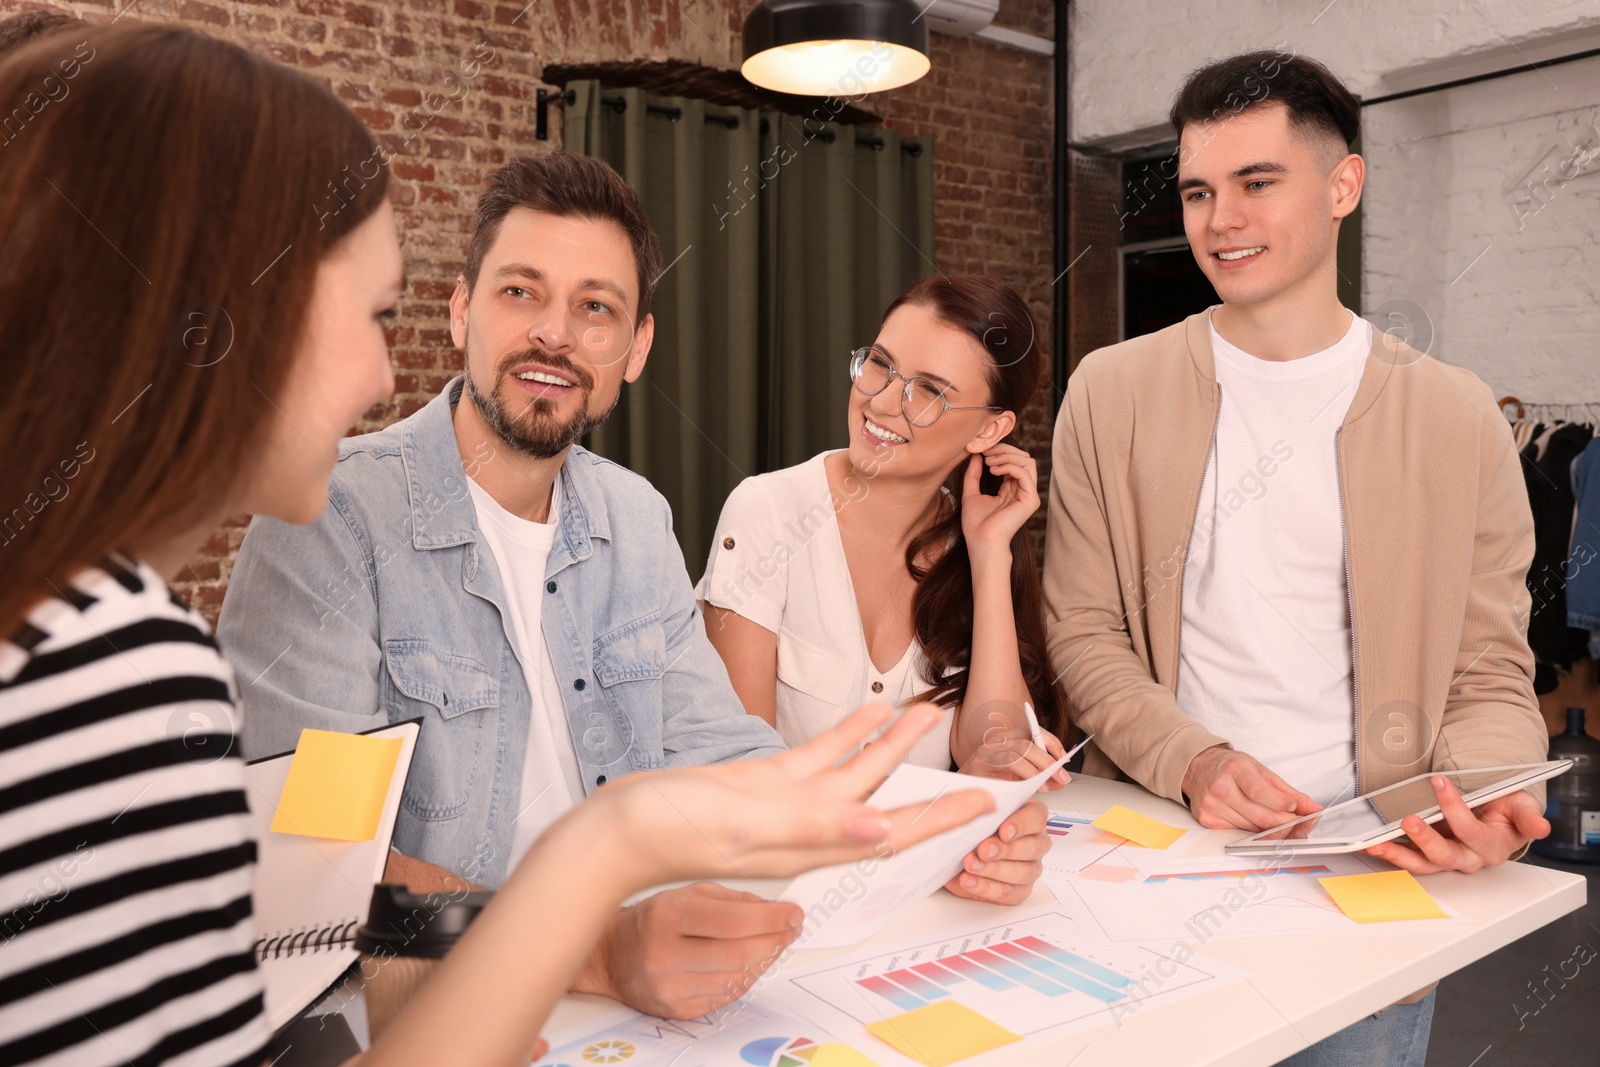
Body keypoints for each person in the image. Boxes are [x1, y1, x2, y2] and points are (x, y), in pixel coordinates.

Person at [0, 24, 994, 1067]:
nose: (553, 335)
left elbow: (719, 749)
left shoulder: (635, 518)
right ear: (460, 311)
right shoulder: (303, 538)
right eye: (519, 292)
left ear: (636, 349)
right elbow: (319, 863)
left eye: (595, 308)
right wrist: (587, 928)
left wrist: (926, 821)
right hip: (470, 988)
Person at [1042, 51, 1550, 1065]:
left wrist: (1488, 792)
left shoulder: (1453, 413)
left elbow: (1487, 665)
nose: (1218, 219)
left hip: (1372, 879)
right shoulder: (1111, 390)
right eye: (1196, 190)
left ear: (1342, 187)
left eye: (1255, 182)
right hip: (1154, 868)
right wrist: (1195, 759)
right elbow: (1083, 630)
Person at [699, 274, 1069, 905]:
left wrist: (987, 553)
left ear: (988, 431)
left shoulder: (978, 548)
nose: (884, 403)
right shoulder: (767, 514)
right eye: (880, 365)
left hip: (912, 913)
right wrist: (927, 843)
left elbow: (992, 758)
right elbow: (742, 787)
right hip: (771, 904)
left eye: (931, 392)